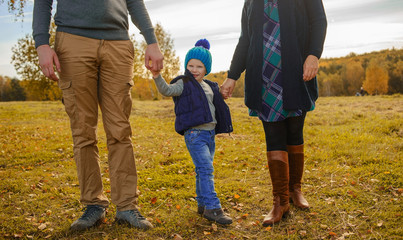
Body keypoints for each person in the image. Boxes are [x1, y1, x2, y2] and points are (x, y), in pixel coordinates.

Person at [33, 0, 164, 231]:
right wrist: (41, 43)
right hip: (73, 41)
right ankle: (93, 204)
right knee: (83, 131)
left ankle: (126, 206)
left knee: (120, 131)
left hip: (118, 43)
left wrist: (151, 40)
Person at [221, 0, 327, 226]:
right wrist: (232, 75)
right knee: (274, 136)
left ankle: (294, 190)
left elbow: (318, 21)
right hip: (264, 75)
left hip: (296, 71)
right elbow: (245, 39)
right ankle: (280, 201)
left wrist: (314, 55)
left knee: (295, 131)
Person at [149, 39, 233, 225]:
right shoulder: (184, 83)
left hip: (210, 135)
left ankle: (202, 204)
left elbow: (217, 102)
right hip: (194, 134)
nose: (194, 69)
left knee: (202, 170)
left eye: (199, 66)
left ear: (206, 68)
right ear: (186, 66)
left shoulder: (210, 86)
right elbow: (166, 90)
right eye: (190, 65)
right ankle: (213, 207)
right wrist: (157, 75)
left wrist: (224, 93)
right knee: (206, 168)